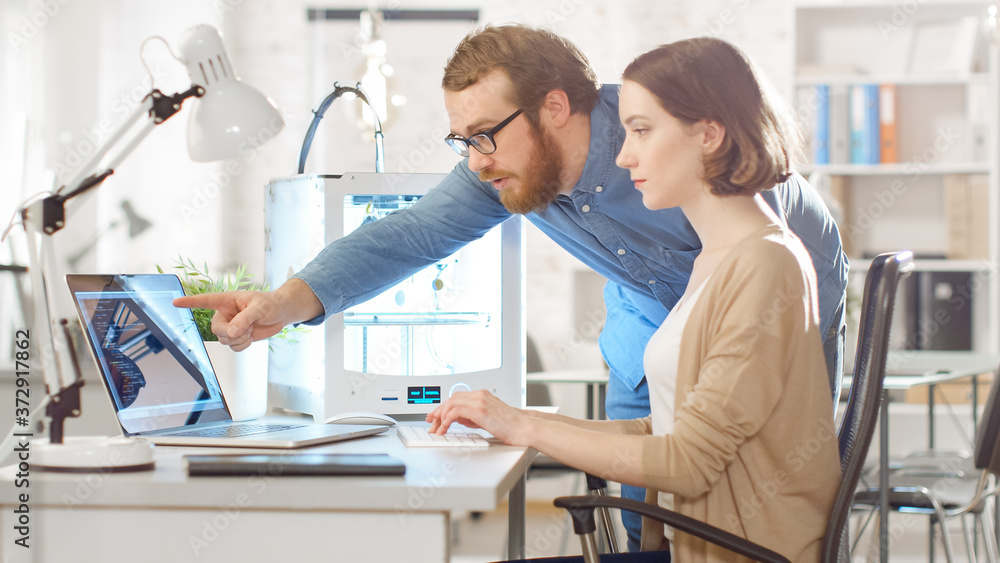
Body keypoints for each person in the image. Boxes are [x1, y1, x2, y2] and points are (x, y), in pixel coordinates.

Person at [173, 24, 848, 553]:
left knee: (766, 471)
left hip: (768, 297)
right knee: (646, 500)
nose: (475, 159)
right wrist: (281, 304)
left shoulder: (677, 149)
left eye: (485, 134)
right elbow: (407, 237)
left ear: (554, 108)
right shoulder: (501, 167)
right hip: (649, 319)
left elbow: (779, 258)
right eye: (461, 140)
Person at [427, 36, 842, 561]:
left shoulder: (765, 265)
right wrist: (513, 420)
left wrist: (523, 426)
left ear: (709, 135)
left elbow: (688, 461)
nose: (623, 156)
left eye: (641, 131)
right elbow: (663, 428)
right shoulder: (712, 259)